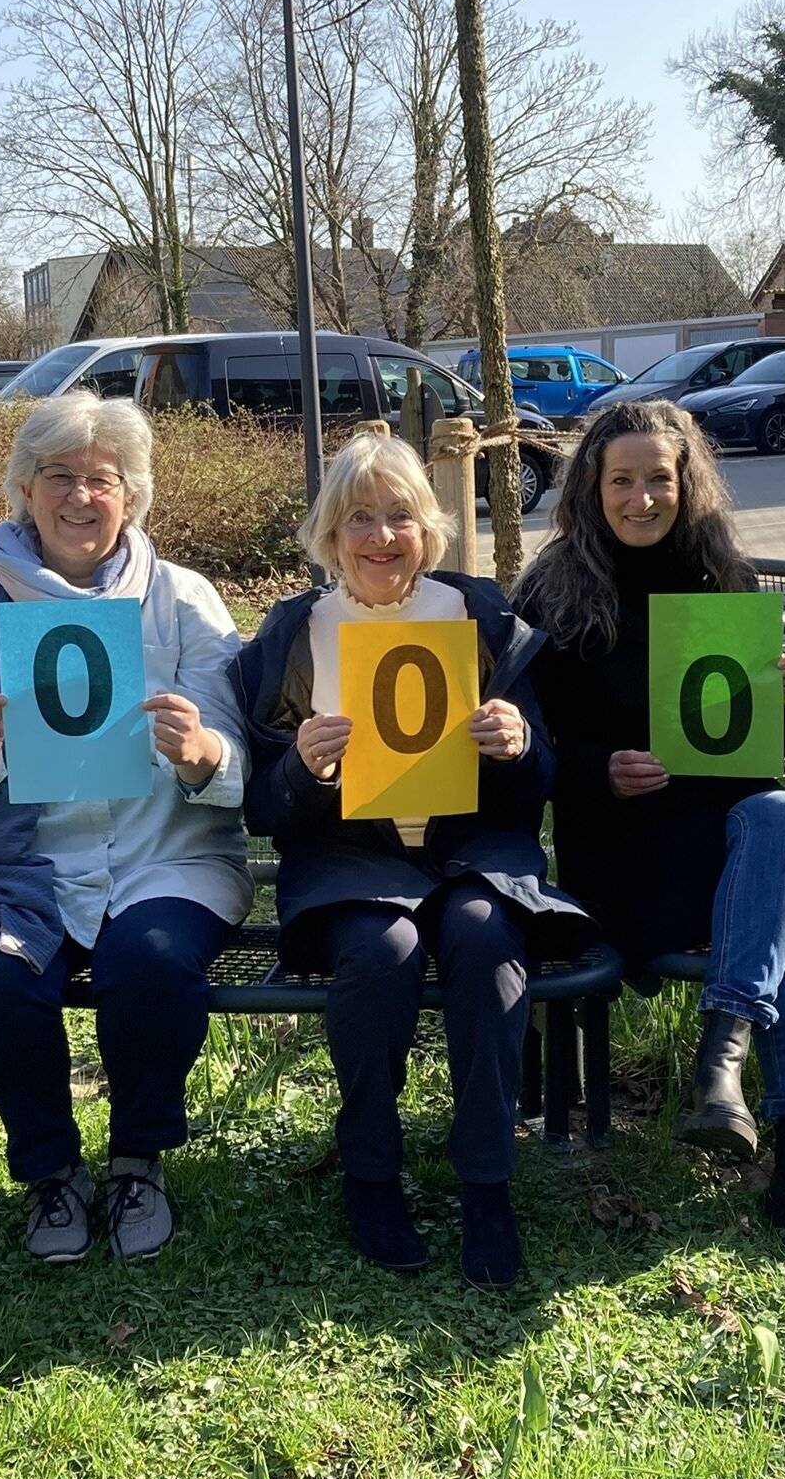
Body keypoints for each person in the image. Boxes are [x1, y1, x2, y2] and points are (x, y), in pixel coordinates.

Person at [513, 400, 785, 1259]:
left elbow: (748, 762)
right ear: (592, 487)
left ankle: (729, 1053)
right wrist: (598, 769)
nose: (641, 498)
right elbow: (527, 752)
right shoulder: (552, 593)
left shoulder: (723, 579)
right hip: (619, 860)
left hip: (728, 855)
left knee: (783, 813)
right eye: (622, 480)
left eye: (659, 479)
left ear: (687, 484)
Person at [230, 432, 590, 1291]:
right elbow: (263, 809)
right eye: (360, 518)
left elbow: (542, 776)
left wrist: (517, 744)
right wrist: (302, 768)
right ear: (330, 534)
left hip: (473, 854)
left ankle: (486, 1182)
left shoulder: (480, 616)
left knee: (486, 938)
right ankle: (371, 1171)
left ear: (428, 529)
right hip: (349, 860)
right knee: (380, 950)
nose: (382, 536)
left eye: (400, 516)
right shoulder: (294, 632)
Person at [0, 391, 249, 1264]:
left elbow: (242, 756)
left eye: (103, 479)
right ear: (25, 489)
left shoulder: (182, 598)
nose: (80, 497)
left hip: (166, 858)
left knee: (151, 961)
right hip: (24, 866)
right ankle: (51, 1171)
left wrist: (203, 752)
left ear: (132, 496)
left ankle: (137, 1161)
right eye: (59, 476)